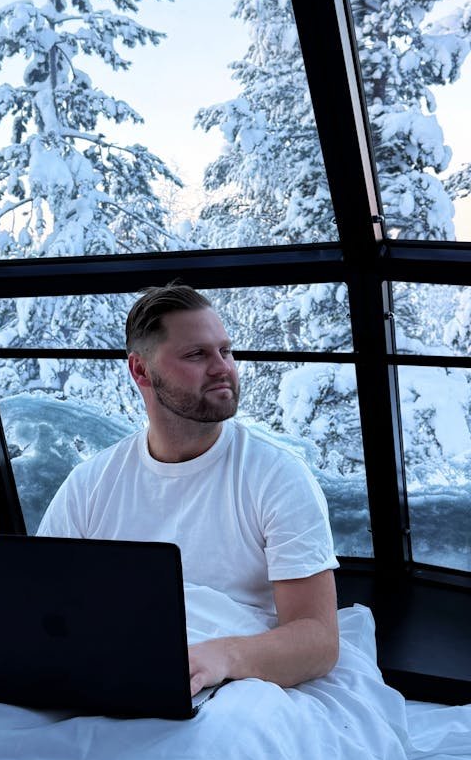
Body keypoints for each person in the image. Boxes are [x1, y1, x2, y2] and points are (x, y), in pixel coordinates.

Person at [38, 284, 340, 696]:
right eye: (197, 354)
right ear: (141, 371)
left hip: (239, 684)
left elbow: (318, 640)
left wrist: (221, 658)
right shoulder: (90, 485)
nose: (222, 367)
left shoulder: (277, 477)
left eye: (226, 351)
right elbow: (44, 606)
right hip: (117, 674)